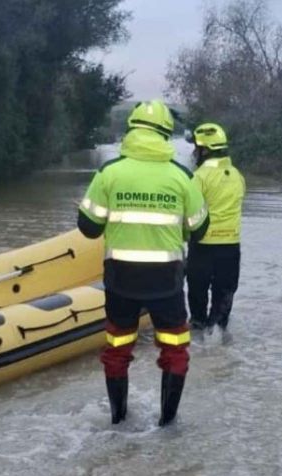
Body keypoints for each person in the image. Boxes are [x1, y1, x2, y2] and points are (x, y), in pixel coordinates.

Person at [77, 100, 210, 426]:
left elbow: (88, 227)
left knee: (117, 349)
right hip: (166, 281)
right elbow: (200, 230)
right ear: (166, 134)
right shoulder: (182, 176)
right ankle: (168, 426)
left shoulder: (109, 172)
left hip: (120, 279)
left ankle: (118, 421)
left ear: (131, 129)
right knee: (175, 349)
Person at [185, 123, 246, 336]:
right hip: (231, 245)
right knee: (224, 296)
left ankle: (199, 339)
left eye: (196, 148)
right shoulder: (237, 175)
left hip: (202, 245)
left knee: (197, 298)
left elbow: (190, 211)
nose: (194, 153)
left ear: (205, 150)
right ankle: (220, 339)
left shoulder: (199, 177)